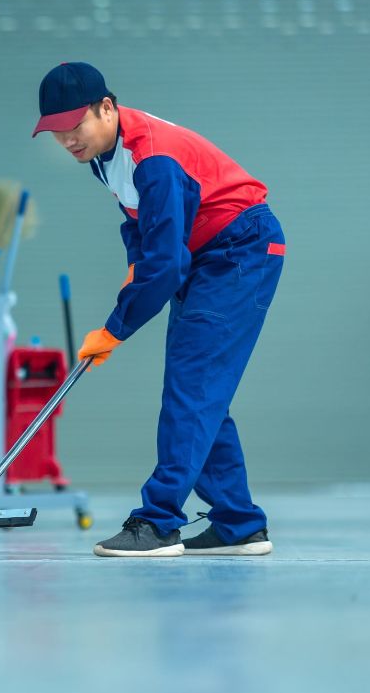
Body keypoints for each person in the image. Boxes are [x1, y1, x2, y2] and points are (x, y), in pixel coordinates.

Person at [32, 62, 284, 557]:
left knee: (191, 387)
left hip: (239, 251)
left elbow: (166, 265)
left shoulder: (154, 157)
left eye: (74, 126)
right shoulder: (106, 155)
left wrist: (114, 328)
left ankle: (159, 521)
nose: (67, 141)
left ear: (107, 107)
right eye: (56, 132)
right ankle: (238, 523)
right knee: (201, 392)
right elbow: (140, 225)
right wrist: (134, 266)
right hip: (209, 255)